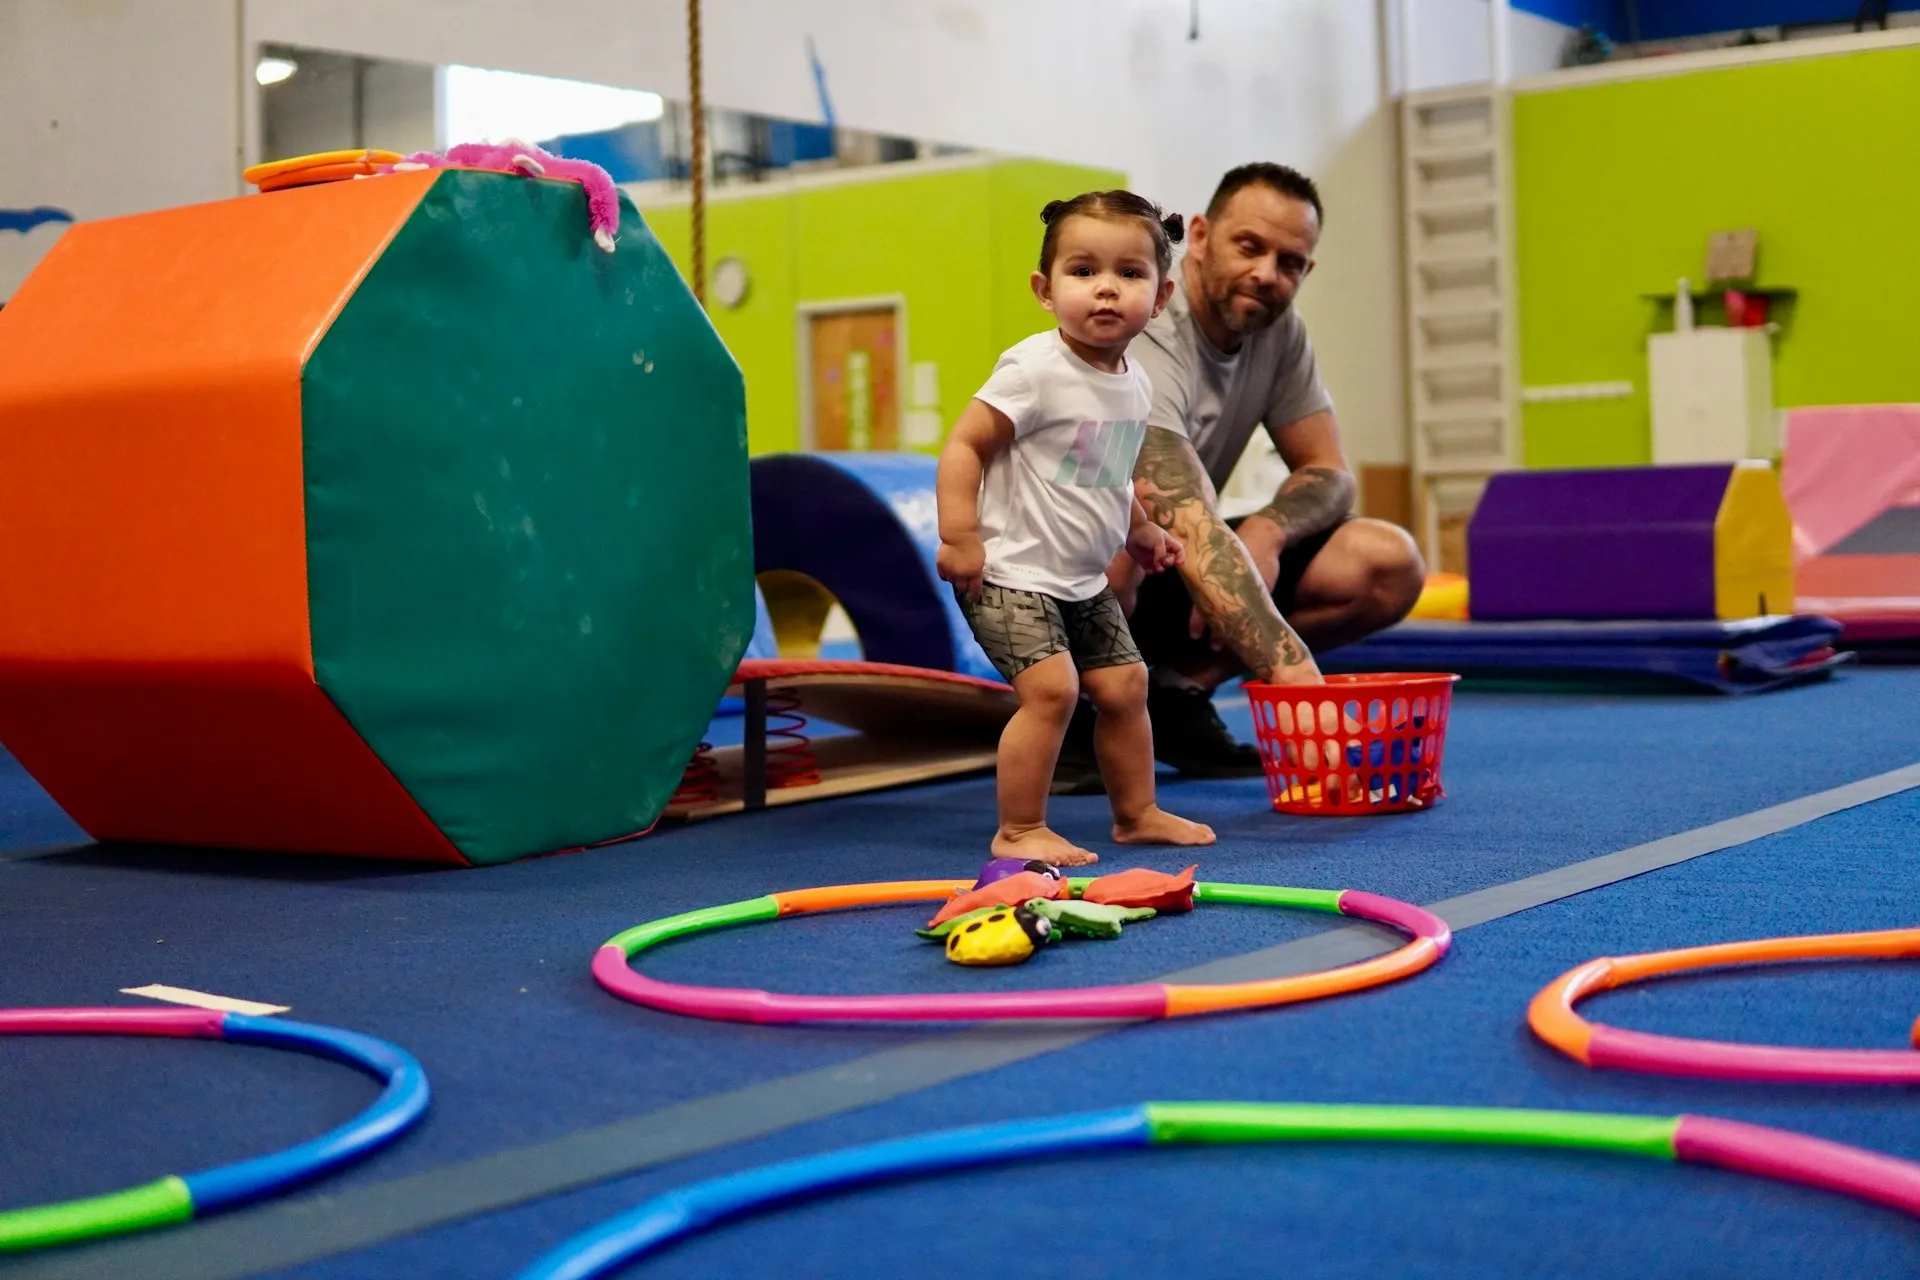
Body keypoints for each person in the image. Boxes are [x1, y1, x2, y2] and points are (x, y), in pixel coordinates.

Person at [1052, 162, 1427, 795]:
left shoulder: (1280, 333)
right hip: (1061, 576)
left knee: (1385, 561)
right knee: (1118, 554)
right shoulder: (1141, 327)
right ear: (1198, 236)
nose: (1266, 273)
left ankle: (1176, 695)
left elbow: (1330, 473)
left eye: (1290, 262)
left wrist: (1268, 533)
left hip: (1170, 552)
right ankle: (1077, 714)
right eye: (1249, 247)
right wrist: (1311, 705)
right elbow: (1178, 509)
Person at [935, 190, 1217, 868]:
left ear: (1162, 294)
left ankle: (1137, 813)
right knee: (1053, 692)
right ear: (1044, 287)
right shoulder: (1035, 369)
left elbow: (1107, 474)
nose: (1106, 290)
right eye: (1083, 271)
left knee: (1126, 688)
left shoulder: (1134, 383)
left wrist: (1141, 531)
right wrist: (960, 535)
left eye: (1130, 274)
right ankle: (1019, 828)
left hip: (1082, 580)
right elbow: (964, 446)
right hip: (1010, 574)